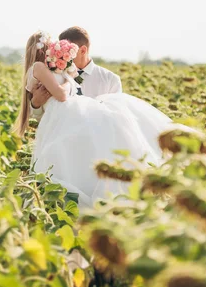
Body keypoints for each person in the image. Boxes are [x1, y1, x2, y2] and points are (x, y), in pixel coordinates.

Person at [15, 30, 173, 209]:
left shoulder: (108, 78)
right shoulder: (50, 70)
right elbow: (47, 104)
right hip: (66, 130)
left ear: (81, 50)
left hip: (95, 140)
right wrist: (46, 96)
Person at [29, 27, 122, 121]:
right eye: (60, 49)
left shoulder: (110, 80)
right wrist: (35, 104)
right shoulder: (53, 76)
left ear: (82, 51)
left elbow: (115, 118)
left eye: (67, 50)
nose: (61, 54)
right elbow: (39, 116)